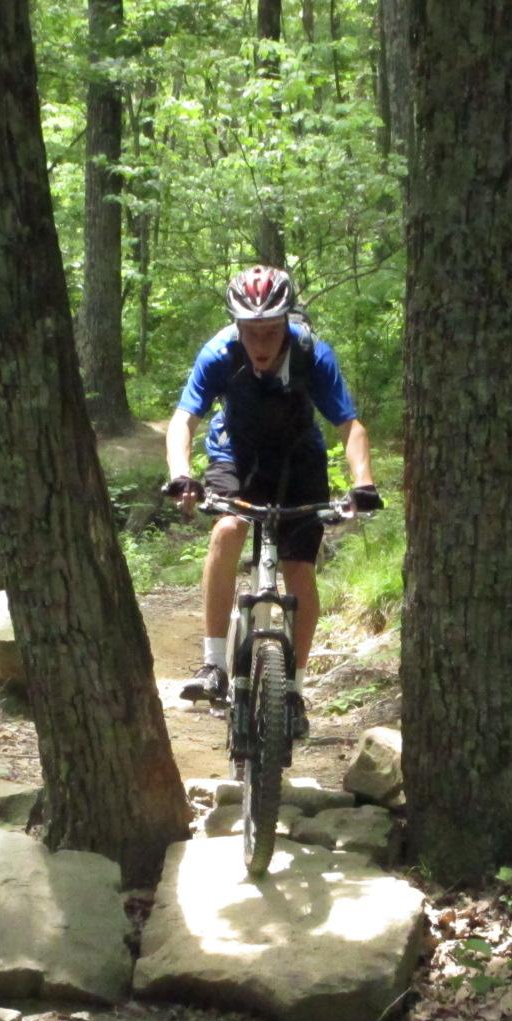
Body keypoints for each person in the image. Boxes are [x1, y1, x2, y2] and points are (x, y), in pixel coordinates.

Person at [164, 265, 382, 734]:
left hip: (298, 461)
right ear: (236, 327)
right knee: (226, 529)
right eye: (251, 332)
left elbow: (350, 425)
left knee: (298, 570)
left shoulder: (311, 355)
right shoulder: (219, 353)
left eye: (270, 331)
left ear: (286, 323)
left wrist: (362, 484)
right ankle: (213, 664)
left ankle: (295, 691)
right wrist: (180, 475)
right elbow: (184, 419)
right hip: (237, 456)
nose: (261, 344)